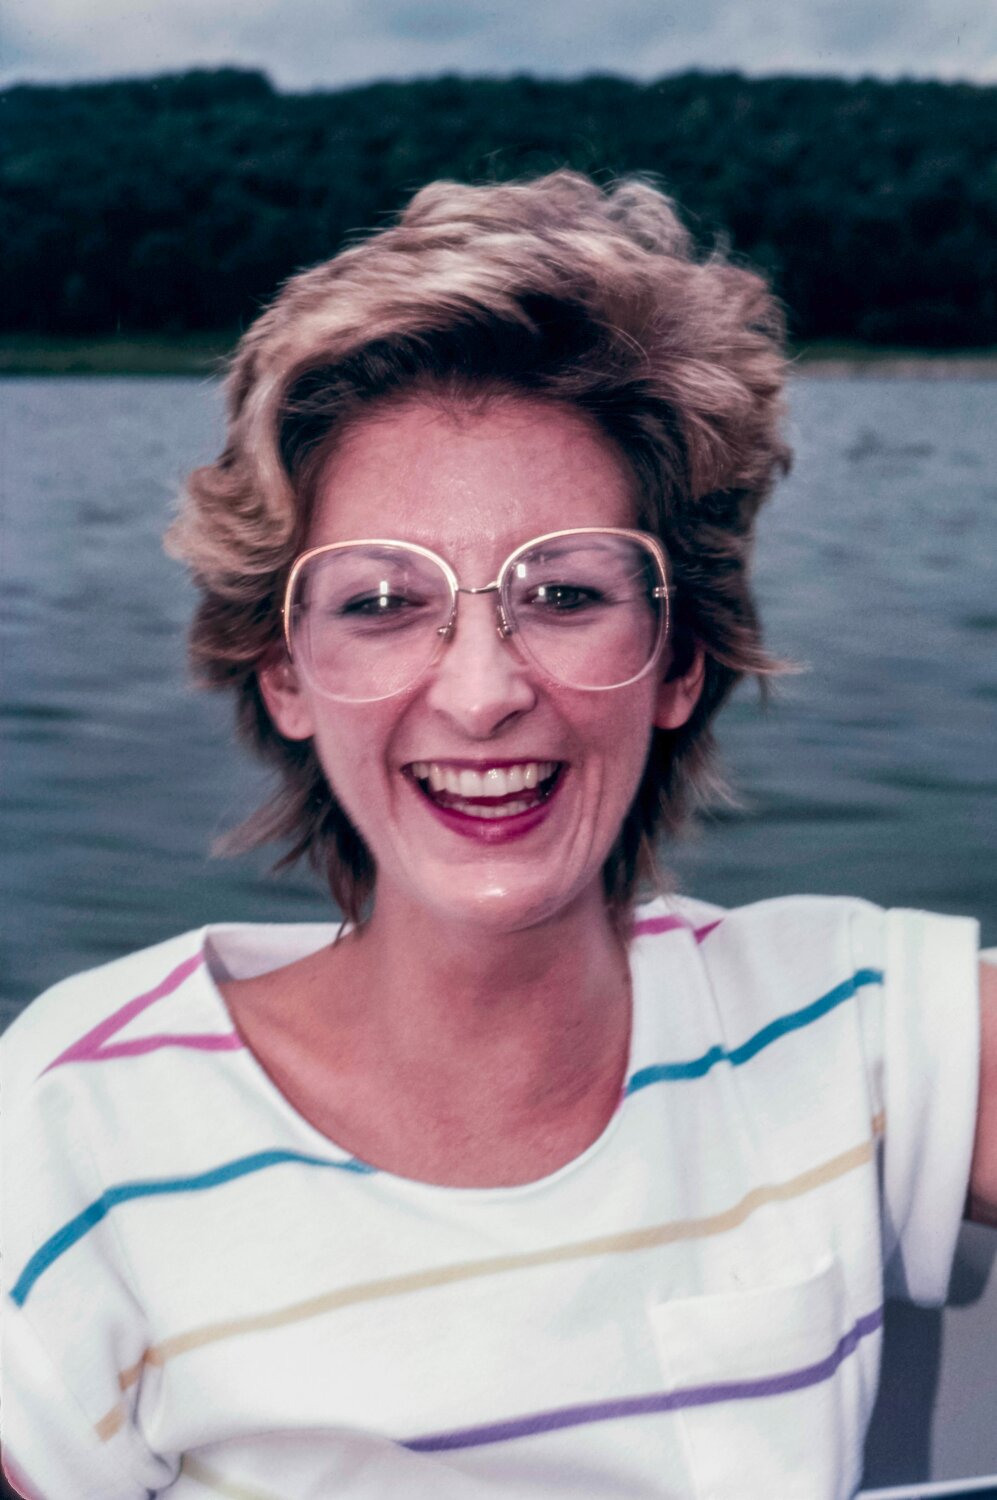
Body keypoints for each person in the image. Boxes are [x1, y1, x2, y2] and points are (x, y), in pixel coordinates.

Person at [2, 171, 994, 1500]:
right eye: (380, 603)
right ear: (285, 674)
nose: (481, 692)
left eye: (566, 594)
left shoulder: (849, 1025)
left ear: (678, 659)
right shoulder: (80, 1118)